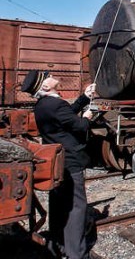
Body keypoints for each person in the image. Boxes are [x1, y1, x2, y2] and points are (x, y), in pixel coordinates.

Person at [21, 70, 97, 259]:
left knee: (59, 205)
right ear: (46, 86)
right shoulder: (56, 104)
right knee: (76, 208)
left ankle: (58, 245)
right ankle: (76, 253)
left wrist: (84, 98)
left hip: (56, 162)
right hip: (71, 162)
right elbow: (79, 125)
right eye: (47, 75)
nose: (51, 74)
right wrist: (88, 116)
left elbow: (65, 116)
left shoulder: (43, 105)